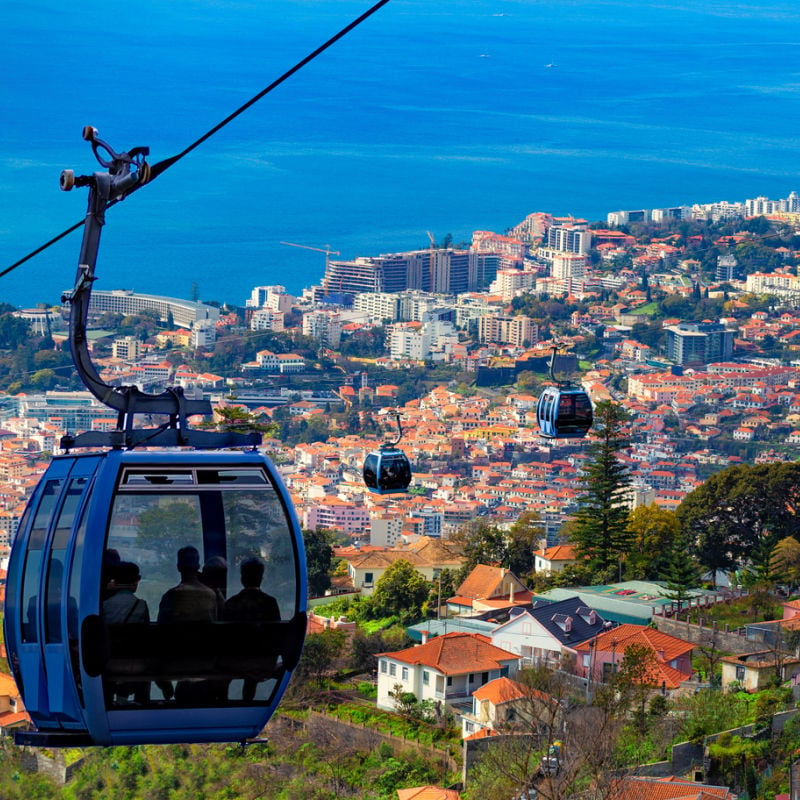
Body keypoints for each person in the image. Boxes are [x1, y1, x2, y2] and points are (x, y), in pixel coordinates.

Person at [157, 546, 218, 704]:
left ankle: (168, 688)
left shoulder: (171, 596)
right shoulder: (211, 595)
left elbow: (160, 631)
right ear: (198, 567)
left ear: (178, 567)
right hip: (206, 660)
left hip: (176, 660)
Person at [224, 557, 281, 702]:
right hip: (263, 662)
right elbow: (276, 636)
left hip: (234, 662)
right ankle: (247, 701)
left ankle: (223, 701)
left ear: (242, 578)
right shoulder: (270, 603)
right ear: (261, 578)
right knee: (254, 660)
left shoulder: (231, 603)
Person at [102, 561, 150, 705]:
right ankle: (143, 703)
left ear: (114, 581)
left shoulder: (105, 605)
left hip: (109, 661)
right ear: (135, 581)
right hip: (135, 663)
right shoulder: (141, 605)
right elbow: (146, 634)